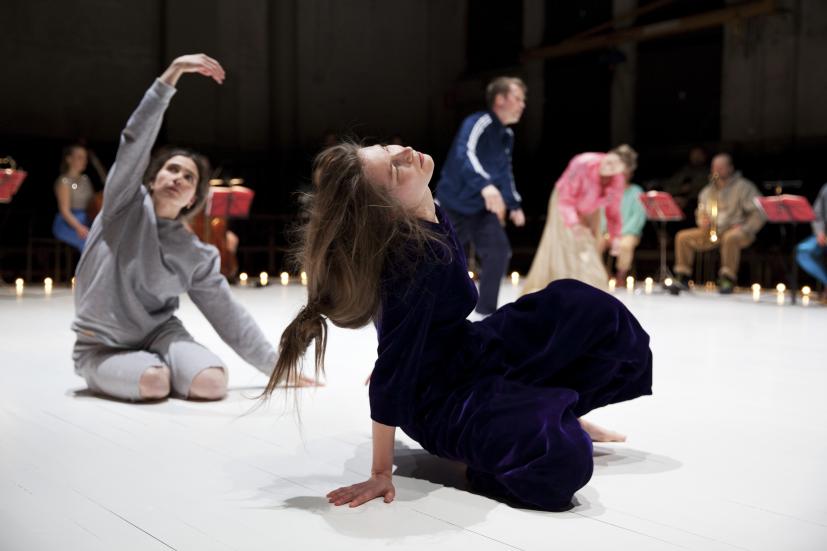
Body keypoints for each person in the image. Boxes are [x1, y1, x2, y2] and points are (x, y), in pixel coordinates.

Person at [263, 141, 653, 512]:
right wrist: (380, 472)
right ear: (388, 209)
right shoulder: (412, 257)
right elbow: (393, 372)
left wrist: (408, 346)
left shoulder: (428, 211)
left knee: (582, 307)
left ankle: (560, 404)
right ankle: (497, 451)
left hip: (469, 350)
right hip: (441, 400)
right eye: (395, 170)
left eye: (387, 148)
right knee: (562, 458)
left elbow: (408, 327)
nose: (404, 154)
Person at [72, 54, 306, 401]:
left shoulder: (195, 253)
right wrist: (173, 73)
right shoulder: (124, 204)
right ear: (153, 179)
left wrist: (275, 366)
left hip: (158, 335)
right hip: (101, 343)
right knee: (153, 383)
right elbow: (134, 139)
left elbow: (228, 314)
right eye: (171, 169)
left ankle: (155, 363)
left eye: (189, 177)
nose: (178, 177)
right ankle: (124, 368)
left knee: (212, 384)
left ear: (193, 198)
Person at [435, 77, 526, 318]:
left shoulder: (506, 135)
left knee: (498, 250)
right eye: (518, 98)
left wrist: (513, 204)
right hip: (452, 205)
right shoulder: (478, 122)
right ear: (499, 99)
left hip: (480, 209)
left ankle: (485, 314)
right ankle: (438, 313)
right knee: (443, 260)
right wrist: (484, 185)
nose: (522, 104)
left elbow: (504, 171)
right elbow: (464, 153)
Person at [521, 145, 637, 293]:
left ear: (622, 172)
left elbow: (613, 211)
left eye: (615, 168)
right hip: (564, 202)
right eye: (610, 162)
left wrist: (615, 237)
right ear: (608, 154)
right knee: (565, 244)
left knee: (589, 245)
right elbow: (566, 198)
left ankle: (588, 291)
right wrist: (574, 224)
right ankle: (558, 289)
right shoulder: (583, 162)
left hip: (590, 206)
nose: (610, 167)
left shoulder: (617, 179)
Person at [670, 153, 764, 294]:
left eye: (721, 167)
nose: (717, 170)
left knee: (730, 238)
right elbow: (700, 211)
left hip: (737, 230)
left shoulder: (744, 187)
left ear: (730, 168)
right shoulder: (707, 191)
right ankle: (683, 275)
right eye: (714, 167)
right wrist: (702, 221)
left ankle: (727, 278)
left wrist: (745, 227)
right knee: (682, 237)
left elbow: (759, 212)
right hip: (713, 231)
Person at [602, 166, 646, 282]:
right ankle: (604, 274)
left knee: (625, 245)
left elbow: (638, 216)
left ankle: (620, 276)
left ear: (630, 174)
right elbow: (602, 214)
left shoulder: (636, 191)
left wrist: (619, 234)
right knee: (594, 243)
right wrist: (605, 232)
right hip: (608, 232)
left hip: (628, 232)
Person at [52, 144, 95, 251]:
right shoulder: (64, 181)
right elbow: (64, 210)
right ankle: (88, 268)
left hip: (86, 219)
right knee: (88, 241)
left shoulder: (86, 179)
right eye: (80, 157)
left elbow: (93, 203)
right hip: (68, 222)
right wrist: (79, 227)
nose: (84, 161)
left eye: (85, 158)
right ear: (69, 159)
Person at [795, 182, 827, 299]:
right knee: (803, 252)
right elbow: (817, 213)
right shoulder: (826, 188)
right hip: (824, 235)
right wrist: (820, 232)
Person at [661, 146, 708, 213]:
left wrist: (687, 199)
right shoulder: (684, 171)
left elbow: (705, 191)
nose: (696, 157)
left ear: (704, 156)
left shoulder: (707, 173)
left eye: (699, 154)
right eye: (694, 154)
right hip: (676, 202)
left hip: (695, 204)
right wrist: (680, 189)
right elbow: (668, 186)